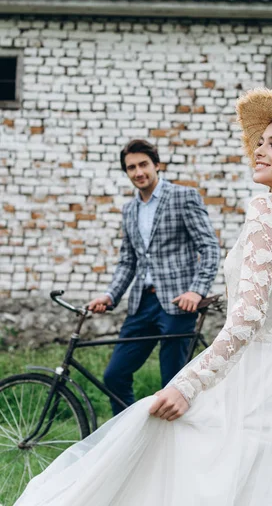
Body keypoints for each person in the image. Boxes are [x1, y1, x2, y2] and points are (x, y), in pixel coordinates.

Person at [16, 88, 272, 506]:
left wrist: (189, 386)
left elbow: (247, 320)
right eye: (259, 142)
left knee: (170, 455)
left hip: (252, 381)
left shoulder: (267, 211)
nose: (258, 152)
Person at [88, 139, 220, 415]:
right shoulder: (130, 210)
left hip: (178, 303)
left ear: (156, 165)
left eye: (143, 165)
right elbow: (128, 261)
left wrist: (196, 291)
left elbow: (208, 247)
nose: (138, 172)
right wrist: (110, 295)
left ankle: (177, 448)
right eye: (131, 167)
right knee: (114, 376)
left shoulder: (184, 197)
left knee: (173, 386)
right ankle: (133, 437)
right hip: (141, 305)